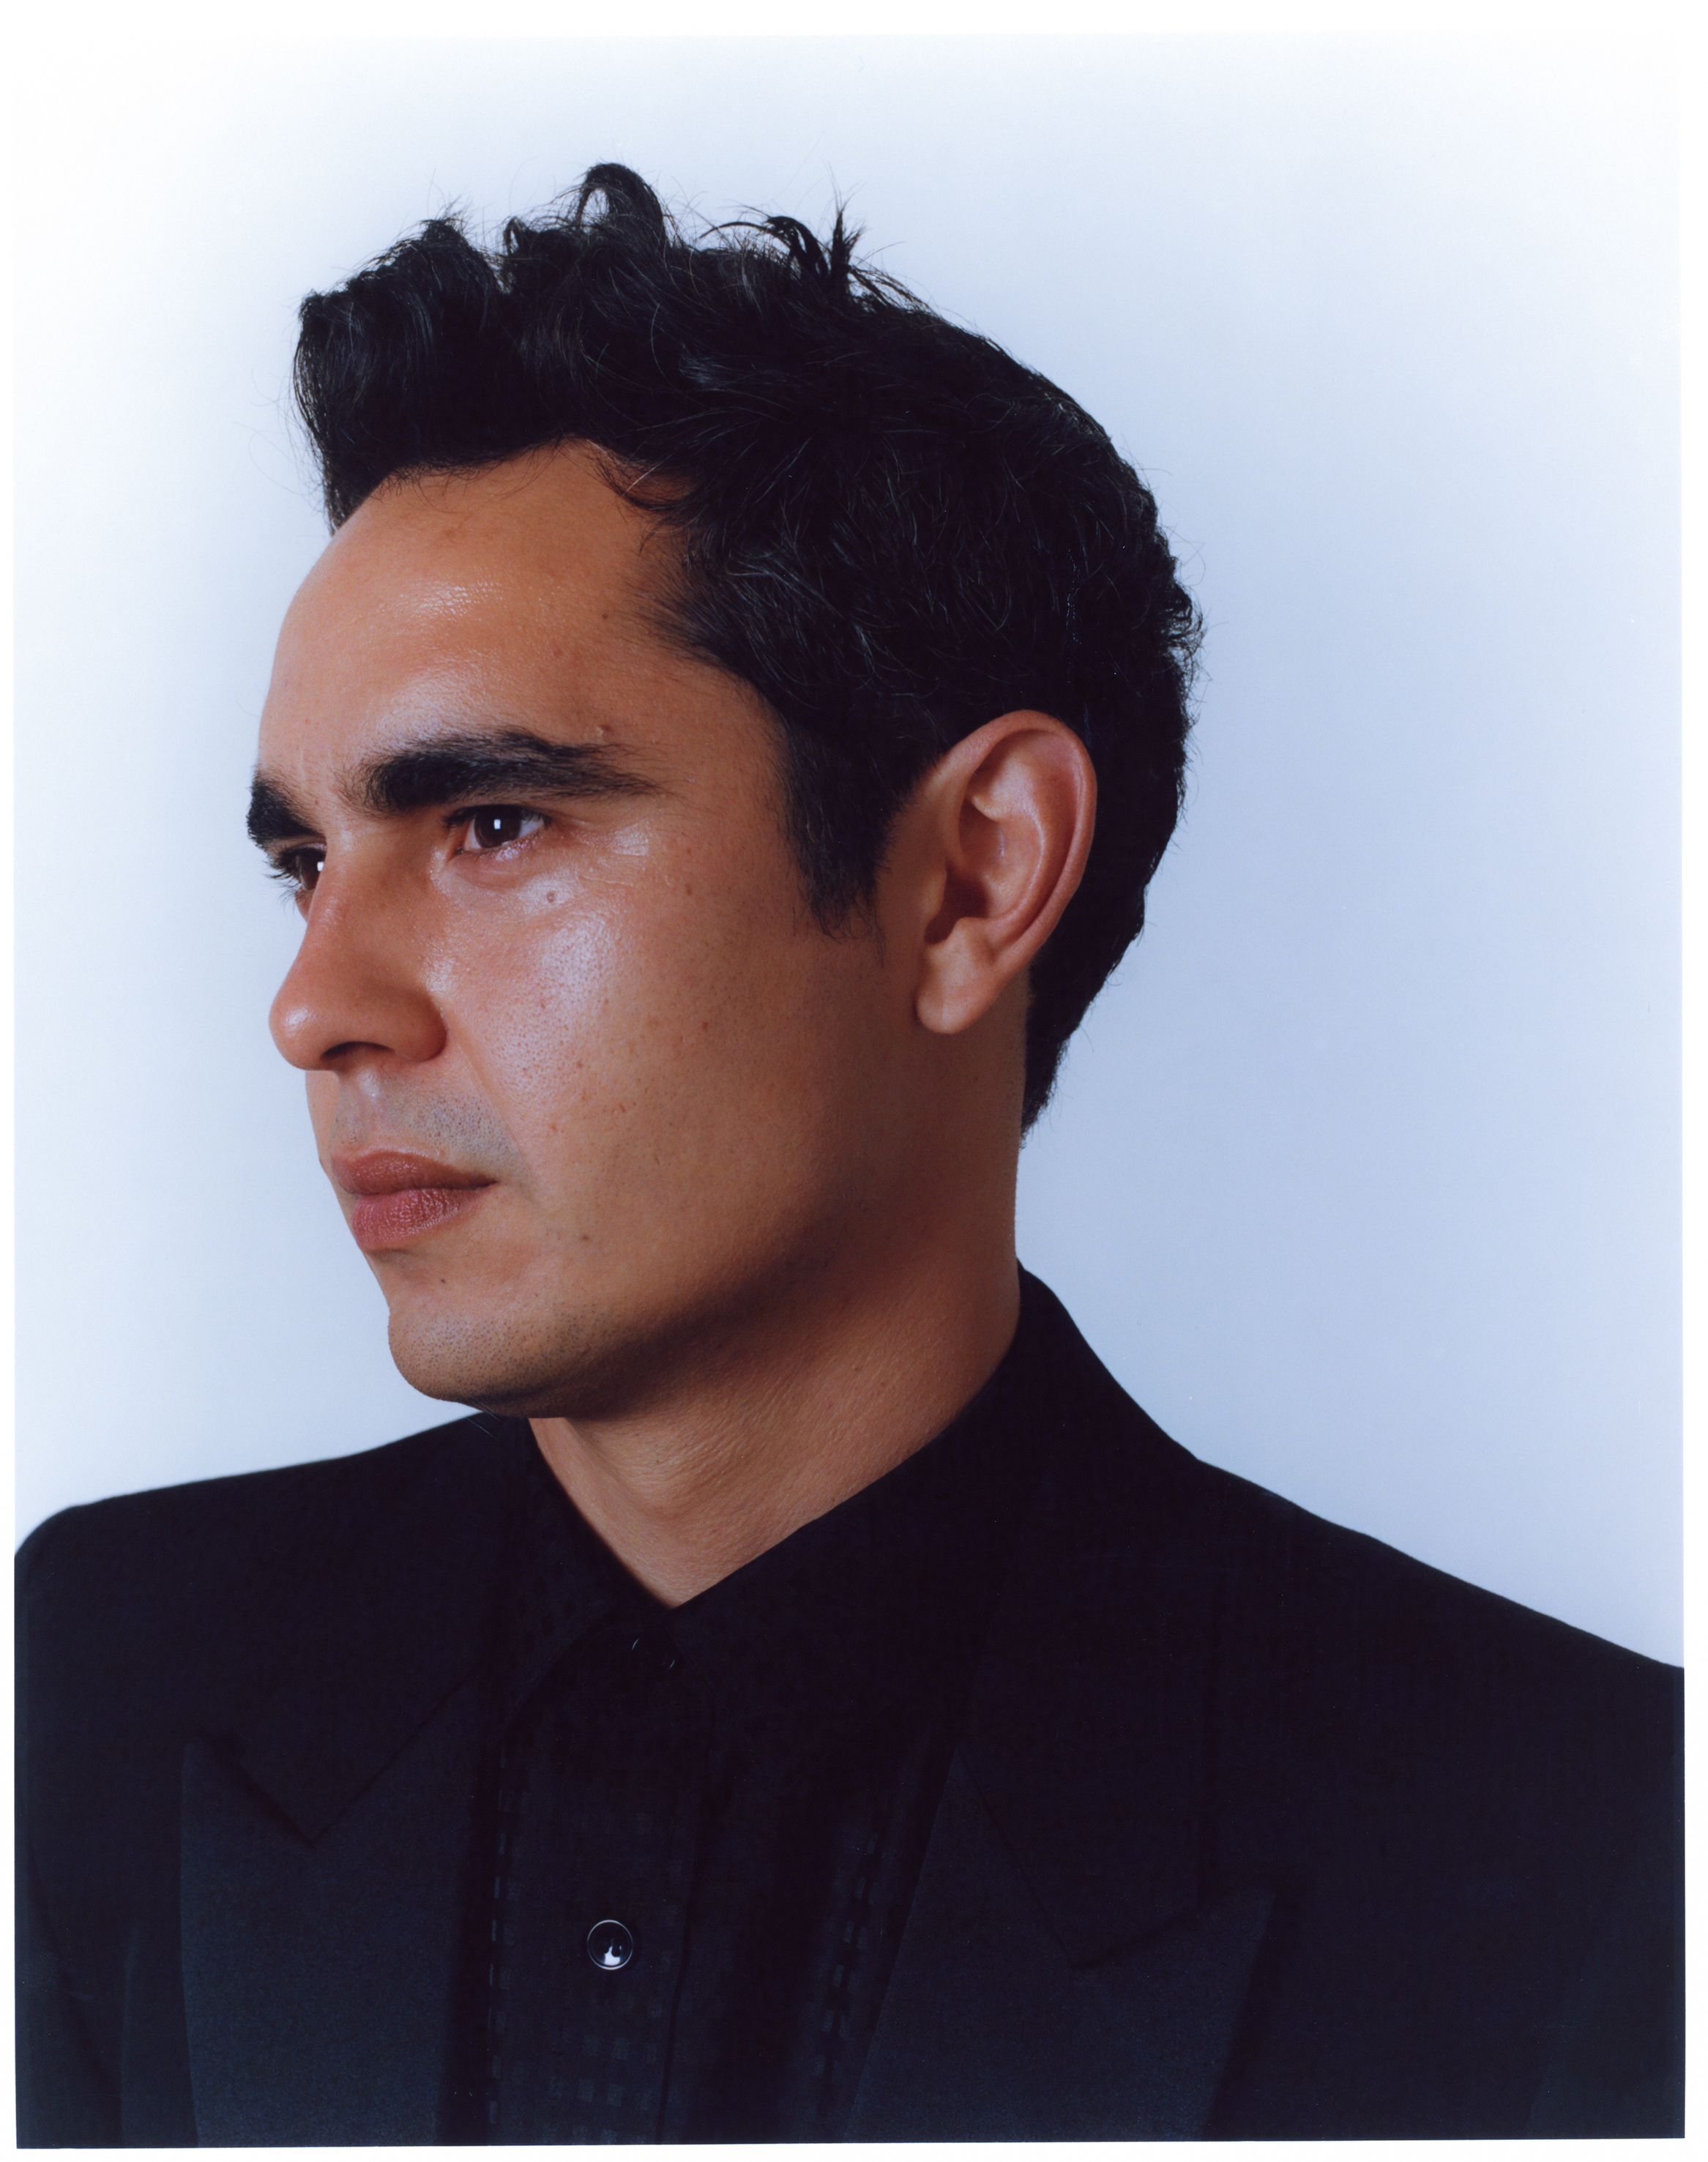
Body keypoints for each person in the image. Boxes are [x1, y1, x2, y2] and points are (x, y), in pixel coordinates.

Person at [15, 165, 1679, 2147]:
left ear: (972, 878)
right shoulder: (85, 1682)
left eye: (494, 825)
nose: (316, 1006)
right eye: (305, 860)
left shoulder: (1591, 1854)